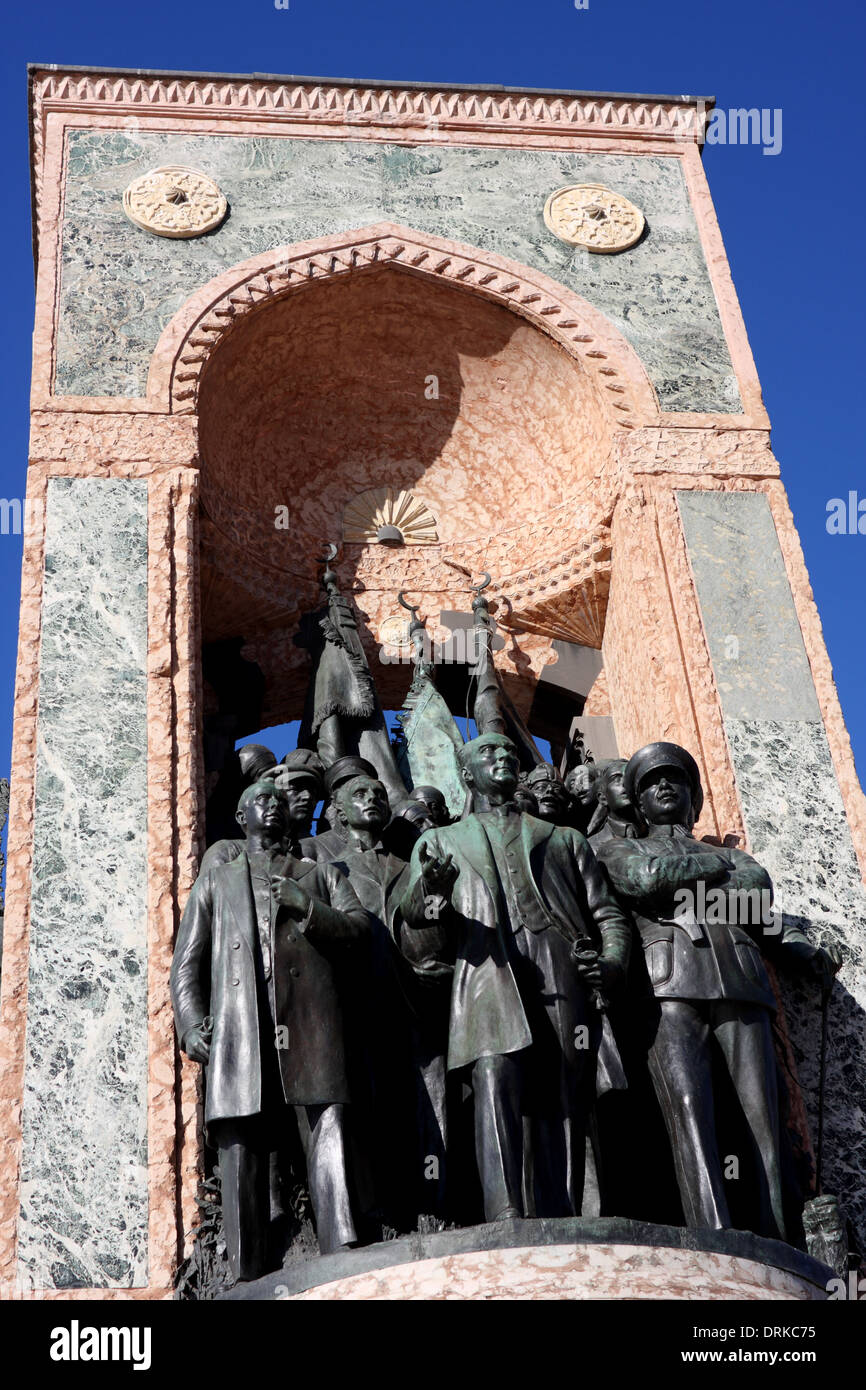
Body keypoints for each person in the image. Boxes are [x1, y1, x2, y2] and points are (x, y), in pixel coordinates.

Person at [595, 741, 841, 1240]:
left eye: (676, 780)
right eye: (651, 783)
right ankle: (714, 1232)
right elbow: (642, 879)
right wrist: (712, 870)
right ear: (638, 804)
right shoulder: (621, 848)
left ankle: (778, 1236)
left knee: (762, 1120)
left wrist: (799, 947)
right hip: (666, 986)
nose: (665, 787)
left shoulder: (734, 856)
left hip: (739, 982)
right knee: (688, 1111)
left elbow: (755, 895)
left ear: (694, 799)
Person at [397, 732, 631, 1222]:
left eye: (508, 751)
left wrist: (610, 964)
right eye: (487, 752)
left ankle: (575, 1214)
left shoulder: (564, 838)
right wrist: (434, 892)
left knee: (567, 1088)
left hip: (559, 965)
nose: (502, 756)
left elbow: (608, 914)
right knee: (495, 1078)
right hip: (485, 969)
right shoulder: (438, 841)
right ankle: (505, 1212)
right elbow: (421, 937)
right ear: (465, 775)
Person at [170, 775, 369, 1280]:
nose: (274, 806)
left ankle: (341, 1248)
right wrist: (192, 1024)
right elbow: (186, 963)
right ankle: (245, 1267)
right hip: (242, 1021)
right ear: (242, 819)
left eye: (280, 801)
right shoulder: (217, 880)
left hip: (310, 1015)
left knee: (326, 1126)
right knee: (242, 1138)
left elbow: (359, 930)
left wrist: (308, 907)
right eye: (262, 800)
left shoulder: (319, 874)